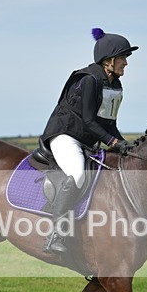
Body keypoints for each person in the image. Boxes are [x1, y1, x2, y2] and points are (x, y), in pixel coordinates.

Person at [40, 27, 138, 253]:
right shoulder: (89, 80)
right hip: (66, 135)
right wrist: (113, 143)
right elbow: (88, 122)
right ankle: (56, 235)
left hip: (86, 140)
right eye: (123, 58)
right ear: (109, 60)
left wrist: (125, 145)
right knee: (77, 174)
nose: (126, 63)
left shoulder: (114, 84)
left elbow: (109, 123)